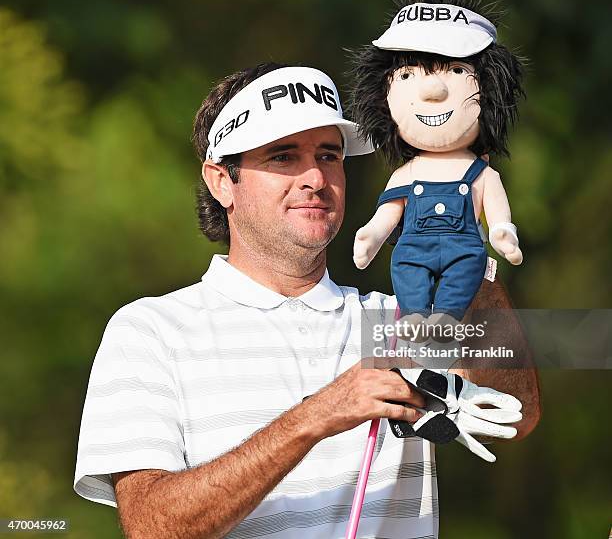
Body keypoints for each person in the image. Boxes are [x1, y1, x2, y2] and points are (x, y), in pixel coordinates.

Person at [74, 62, 541, 539]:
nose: (315, 178)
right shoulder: (150, 331)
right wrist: (317, 415)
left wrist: (466, 254)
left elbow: (517, 410)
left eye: (329, 155)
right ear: (221, 181)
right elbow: (152, 527)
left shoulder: (397, 318)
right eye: (283, 157)